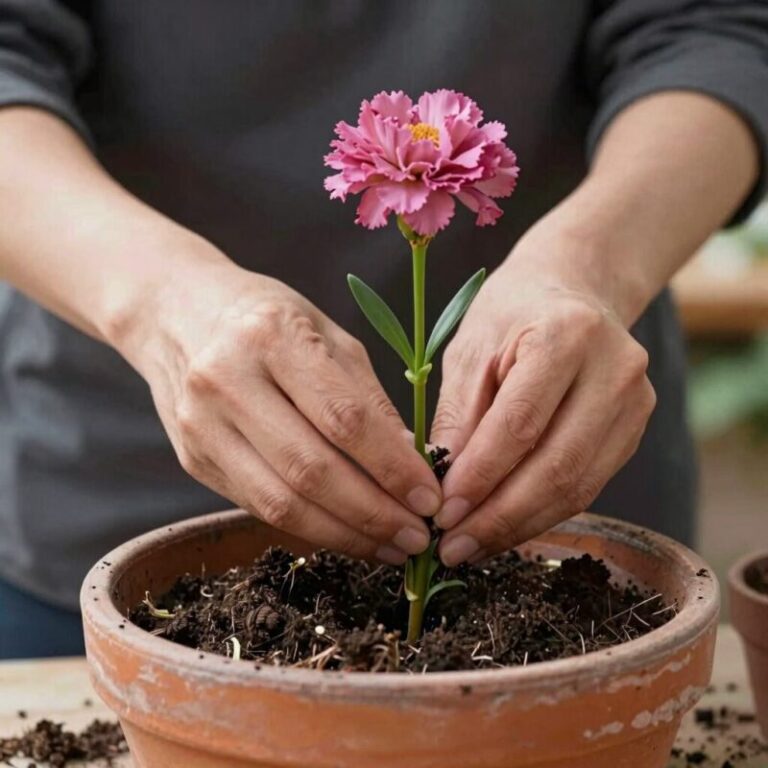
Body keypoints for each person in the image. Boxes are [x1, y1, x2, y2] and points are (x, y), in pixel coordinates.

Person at [0, 1, 766, 659]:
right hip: (102, 511)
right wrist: (158, 301)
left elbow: (719, 24)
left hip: (569, 530)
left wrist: (594, 267)